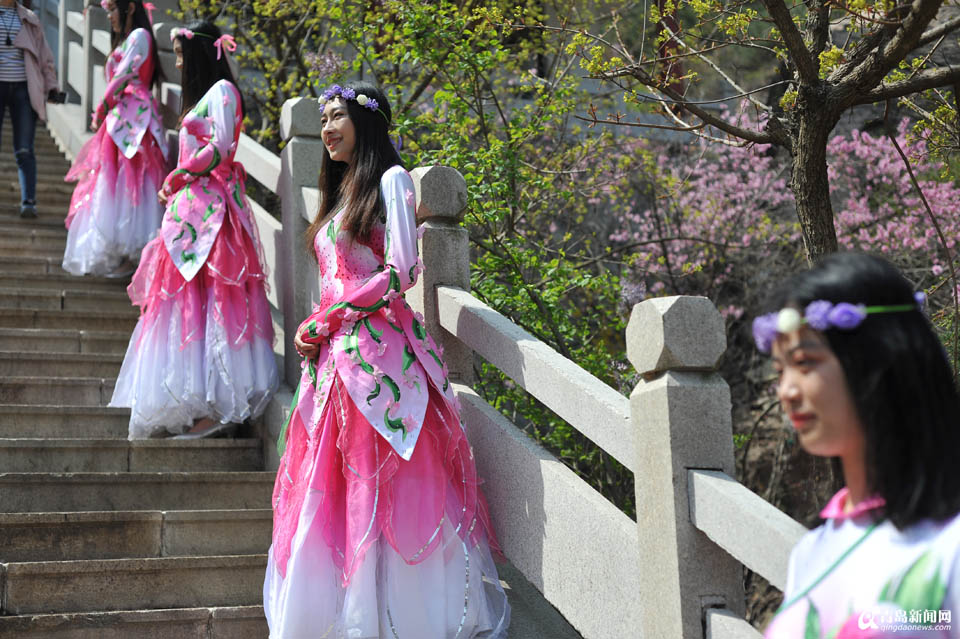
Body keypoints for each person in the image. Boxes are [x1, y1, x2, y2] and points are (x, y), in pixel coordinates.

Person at [262, 82, 510, 638]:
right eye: (323, 119)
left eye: (336, 117)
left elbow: (401, 269)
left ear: (366, 122)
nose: (327, 128)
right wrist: (314, 329)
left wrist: (332, 316)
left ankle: (399, 619)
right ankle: (346, 616)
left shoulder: (391, 182)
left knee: (387, 484)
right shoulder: (342, 193)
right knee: (335, 486)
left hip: (380, 362)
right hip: (333, 364)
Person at [753, 252, 960, 638]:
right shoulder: (811, 552)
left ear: (881, 362)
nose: (786, 391)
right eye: (781, 371)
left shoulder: (950, 544)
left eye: (805, 362)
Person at [109, 21, 277, 439]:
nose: (178, 64)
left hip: (213, 212)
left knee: (215, 300)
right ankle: (200, 401)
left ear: (202, 55)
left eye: (183, 55)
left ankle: (221, 404)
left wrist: (180, 174)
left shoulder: (221, 93)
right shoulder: (207, 97)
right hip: (193, 213)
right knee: (190, 305)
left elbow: (220, 146)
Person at [62, 0, 166, 277]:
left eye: (111, 10)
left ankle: (134, 253)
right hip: (121, 118)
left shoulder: (140, 37)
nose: (109, 17)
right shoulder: (129, 39)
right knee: (116, 181)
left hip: (136, 119)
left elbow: (124, 76)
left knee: (134, 182)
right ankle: (122, 252)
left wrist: (101, 106)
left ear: (130, 7)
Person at [0, 0, 59, 218]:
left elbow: (45, 56)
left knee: (24, 148)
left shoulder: (29, 18)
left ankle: (29, 201)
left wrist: (52, 86)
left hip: (24, 89)